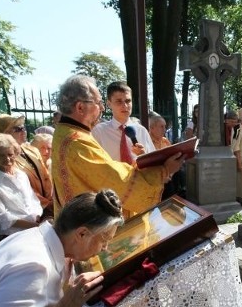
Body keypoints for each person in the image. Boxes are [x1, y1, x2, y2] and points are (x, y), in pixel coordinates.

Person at [50, 74, 183, 217]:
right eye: (98, 102)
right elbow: (113, 179)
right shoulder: (77, 140)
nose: (101, 108)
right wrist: (163, 170)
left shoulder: (67, 133)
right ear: (80, 107)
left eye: (128, 101)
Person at [0, 113, 53, 218]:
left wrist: (52, 202)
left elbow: (46, 176)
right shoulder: (7, 159)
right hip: (33, 213)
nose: (23, 130)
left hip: (49, 206)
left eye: (23, 127)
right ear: (5, 134)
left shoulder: (31, 149)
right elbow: (23, 189)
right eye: (17, 129)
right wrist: (47, 205)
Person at [0, 134, 43, 237]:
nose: (7, 159)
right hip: (14, 235)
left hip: (35, 229)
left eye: (10, 154)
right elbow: (2, 216)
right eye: (1, 155)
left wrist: (37, 217)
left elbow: (33, 200)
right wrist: (33, 225)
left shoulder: (21, 175)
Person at [91, 81, 155, 162]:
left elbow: (153, 163)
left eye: (128, 101)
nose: (125, 106)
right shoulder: (99, 131)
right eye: (119, 101)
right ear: (109, 104)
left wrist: (144, 156)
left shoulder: (141, 131)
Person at [148, 112, 185, 199]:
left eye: (165, 126)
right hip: (153, 181)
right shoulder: (146, 141)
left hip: (168, 179)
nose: (165, 129)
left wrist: (169, 175)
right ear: (152, 128)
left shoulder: (165, 141)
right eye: (161, 127)